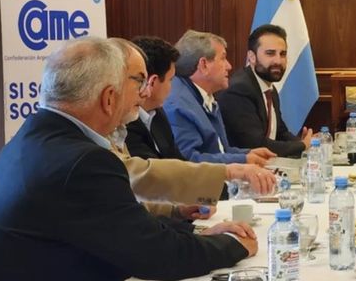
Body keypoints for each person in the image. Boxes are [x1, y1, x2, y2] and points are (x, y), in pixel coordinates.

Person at [0, 37, 259, 281]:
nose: (142, 94)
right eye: (137, 83)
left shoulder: (33, 137)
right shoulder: (83, 162)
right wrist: (234, 244)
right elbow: (159, 256)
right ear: (109, 98)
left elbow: (125, 227)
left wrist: (194, 234)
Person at [113, 37, 274, 206]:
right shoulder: (139, 119)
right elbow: (152, 177)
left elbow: (179, 162)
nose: (229, 66)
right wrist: (233, 170)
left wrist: (245, 158)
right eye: (170, 80)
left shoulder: (157, 114)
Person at [163, 30, 276, 165]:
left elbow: (220, 150)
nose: (229, 66)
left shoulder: (204, 97)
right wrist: (243, 160)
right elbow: (189, 161)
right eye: (223, 58)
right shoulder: (178, 105)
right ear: (204, 65)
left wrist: (248, 153)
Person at [217, 24, 312, 158]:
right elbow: (256, 144)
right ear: (252, 57)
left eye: (283, 54)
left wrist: (305, 143)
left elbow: (280, 132)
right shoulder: (239, 90)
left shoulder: (269, 88)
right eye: (270, 53)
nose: (278, 61)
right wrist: (302, 146)